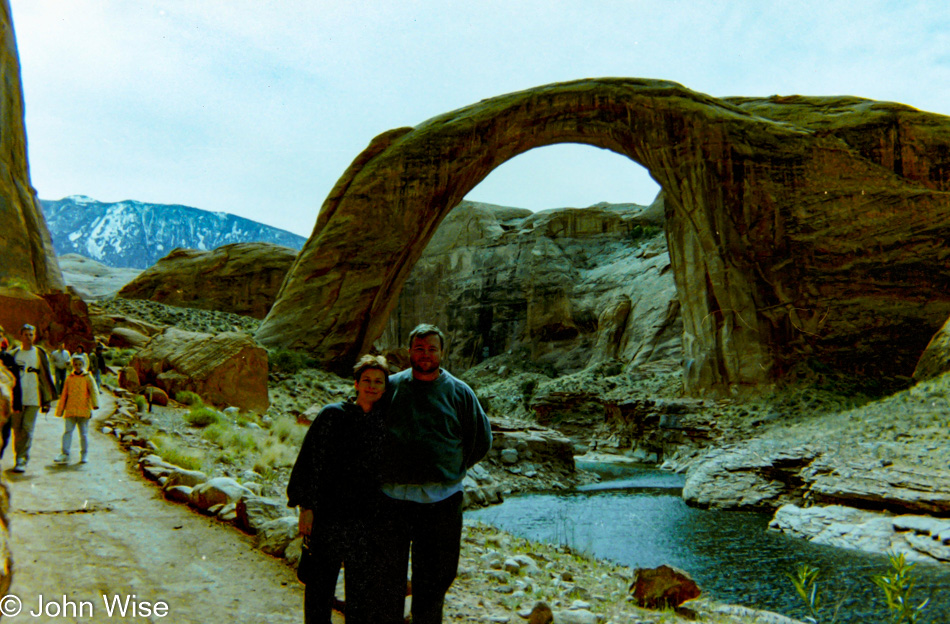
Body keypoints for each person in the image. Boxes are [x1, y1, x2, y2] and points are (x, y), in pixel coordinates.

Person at [376, 324, 493, 624]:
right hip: (393, 501)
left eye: (431, 349)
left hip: (442, 503)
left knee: (436, 579)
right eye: (419, 348)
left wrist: (453, 468)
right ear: (409, 351)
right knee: (387, 577)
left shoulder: (459, 392)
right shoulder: (391, 387)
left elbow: (481, 439)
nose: (425, 355)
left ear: (442, 352)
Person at [287, 354, 390, 624]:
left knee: (361, 591)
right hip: (328, 515)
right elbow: (311, 462)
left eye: (378, 381)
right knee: (320, 588)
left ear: (385, 387)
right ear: (356, 384)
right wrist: (305, 508)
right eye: (366, 380)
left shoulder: (385, 423)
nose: (372, 386)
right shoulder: (333, 415)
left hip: (366, 520)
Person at [7, 324, 57, 473]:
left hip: (33, 397)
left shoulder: (39, 353)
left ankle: (22, 459)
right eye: (26, 334)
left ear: (34, 336)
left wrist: (47, 399)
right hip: (17, 399)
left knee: (28, 428)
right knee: (17, 429)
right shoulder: (14, 354)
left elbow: (46, 376)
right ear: (20, 336)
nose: (28, 337)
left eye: (31, 334)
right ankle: (18, 457)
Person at [53, 353, 99, 464]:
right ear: (73, 365)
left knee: (83, 434)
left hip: (83, 410)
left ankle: (84, 454)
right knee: (67, 432)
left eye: (80, 364)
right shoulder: (69, 378)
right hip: (71, 410)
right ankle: (65, 454)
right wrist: (60, 410)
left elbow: (93, 391)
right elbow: (64, 394)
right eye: (76, 364)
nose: (78, 366)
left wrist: (95, 404)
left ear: (83, 365)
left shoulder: (88, 377)